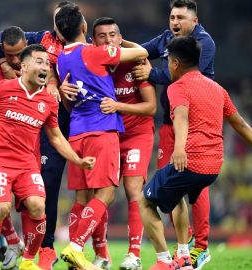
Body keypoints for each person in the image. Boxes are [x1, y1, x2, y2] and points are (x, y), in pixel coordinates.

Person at [0, 44, 96, 270]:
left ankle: (28, 262)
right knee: (1, 208)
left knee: (38, 207)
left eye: (47, 64)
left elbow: (56, 137)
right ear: (24, 65)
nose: (45, 67)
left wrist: (77, 160)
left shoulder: (49, 101)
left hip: (27, 164)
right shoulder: (1, 89)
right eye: (39, 62)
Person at [138, 36, 252, 270]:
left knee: (144, 200)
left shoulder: (177, 88)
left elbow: (181, 116)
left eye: (169, 62)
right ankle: (184, 256)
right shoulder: (217, 88)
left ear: (175, 64)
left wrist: (180, 148)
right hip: (213, 166)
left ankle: (164, 261)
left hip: (192, 161)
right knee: (176, 194)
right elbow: (240, 123)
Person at [54, 4, 148, 270]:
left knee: (81, 199)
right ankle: (75, 248)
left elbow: (69, 101)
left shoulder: (61, 58)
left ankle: (77, 258)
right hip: (101, 130)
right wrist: (119, 41)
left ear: (60, 33)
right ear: (85, 28)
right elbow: (141, 52)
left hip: (76, 132)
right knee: (105, 195)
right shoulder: (94, 53)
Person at [133, 1, 215, 267]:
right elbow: (142, 49)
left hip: (195, 123)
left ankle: (200, 246)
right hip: (169, 123)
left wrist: (152, 73)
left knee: (195, 183)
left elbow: (188, 78)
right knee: (170, 183)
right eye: (172, 17)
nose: (175, 22)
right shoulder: (169, 37)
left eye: (181, 17)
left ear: (195, 21)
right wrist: (113, 45)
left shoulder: (204, 43)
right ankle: (184, 243)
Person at [90, 17, 157, 270]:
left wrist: (117, 105)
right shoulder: (90, 64)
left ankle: (134, 254)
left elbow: (150, 107)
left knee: (132, 188)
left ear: (120, 38)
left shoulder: (136, 62)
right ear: (93, 40)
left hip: (137, 133)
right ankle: (102, 255)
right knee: (102, 193)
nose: (107, 40)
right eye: (102, 36)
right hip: (106, 134)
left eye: (113, 35)